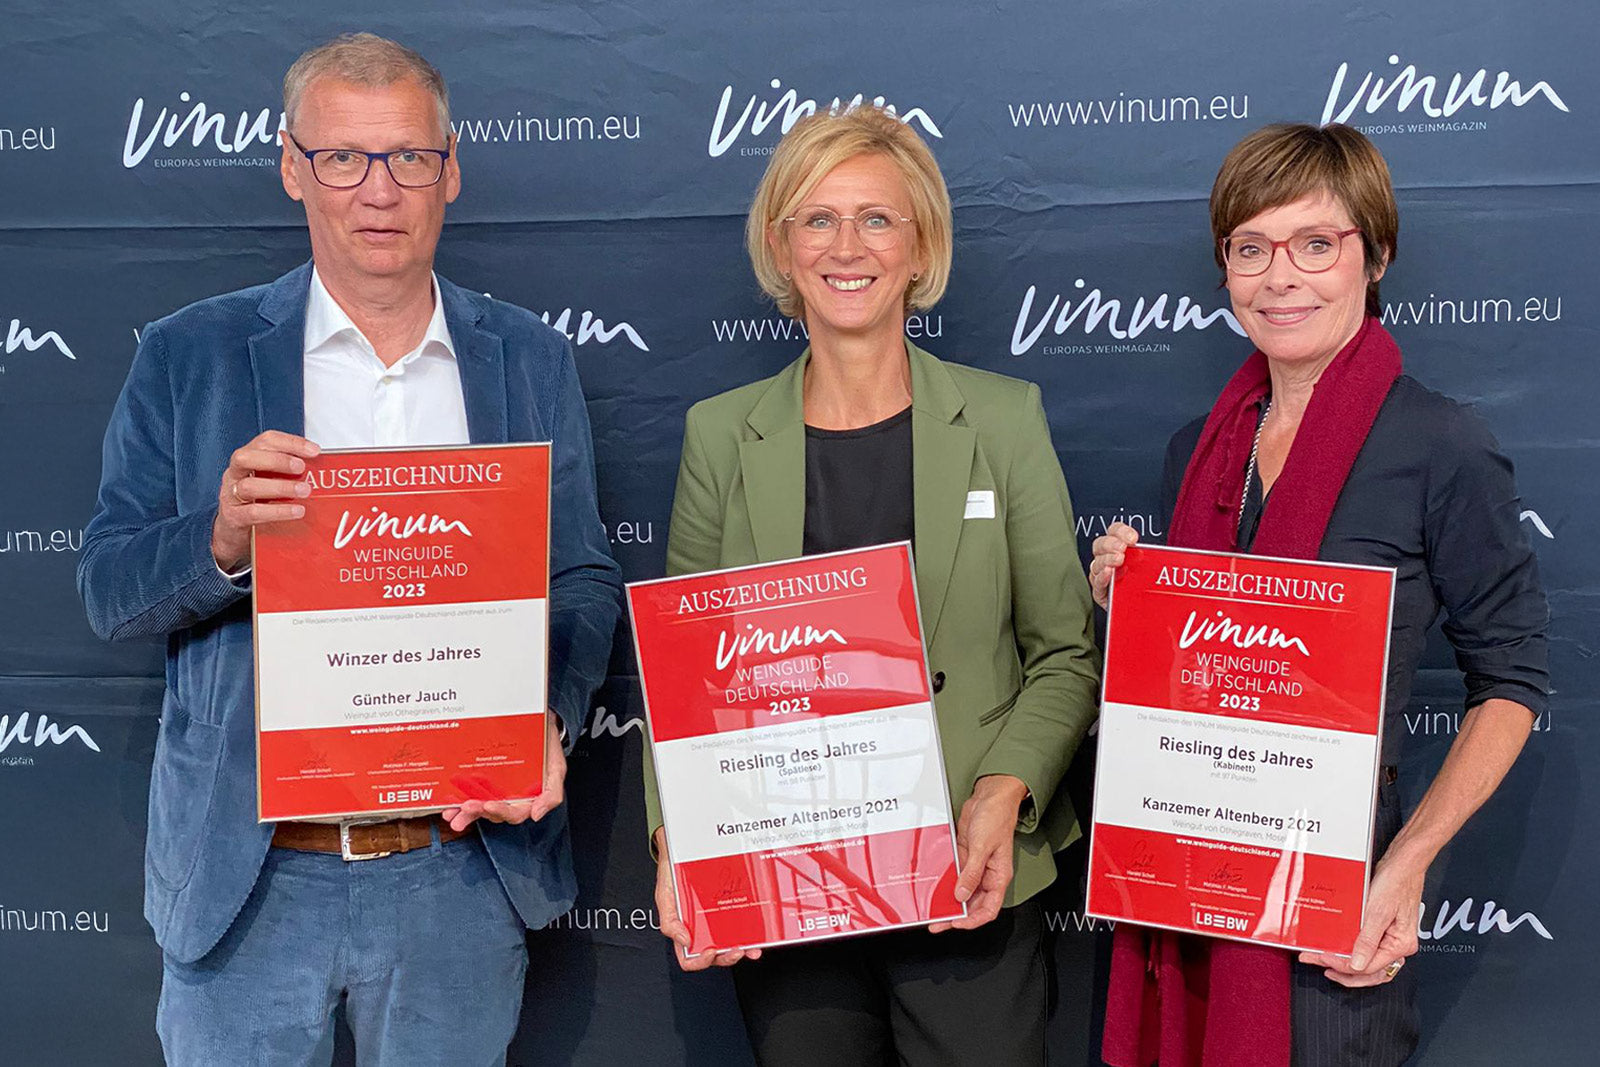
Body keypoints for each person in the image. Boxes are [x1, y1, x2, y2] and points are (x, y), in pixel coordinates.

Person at [77, 33, 622, 1066]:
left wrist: (544, 718)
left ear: (449, 169)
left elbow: (582, 577)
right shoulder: (190, 354)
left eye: (407, 157)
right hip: (250, 879)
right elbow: (108, 584)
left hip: (457, 876)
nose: (379, 189)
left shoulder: (528, 359)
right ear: (293, 167)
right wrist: (223, 539)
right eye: (344, 157)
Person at [639, 106, 1101, 1065]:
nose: (847, 247)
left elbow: (1064, 653)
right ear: (780, 243)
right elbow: (678, 681)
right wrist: (674, 841)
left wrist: (1002, 794)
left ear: (921, 242)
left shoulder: (1005, 422)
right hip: (787, 880)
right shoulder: (720, 435)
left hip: (969, 881)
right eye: (818, 218)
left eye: (877, 219)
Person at [1092, 123, 1549, 1067]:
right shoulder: (1199, 448)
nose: (1280, 277)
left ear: (1375, 255)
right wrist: (1135, 606)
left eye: (1316, 243)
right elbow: (1207, 675)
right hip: (1185, 883)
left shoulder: (1439, 443)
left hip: (1335, 910)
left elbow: (1512, 680)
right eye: (1250, 249)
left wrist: (1404, 869)